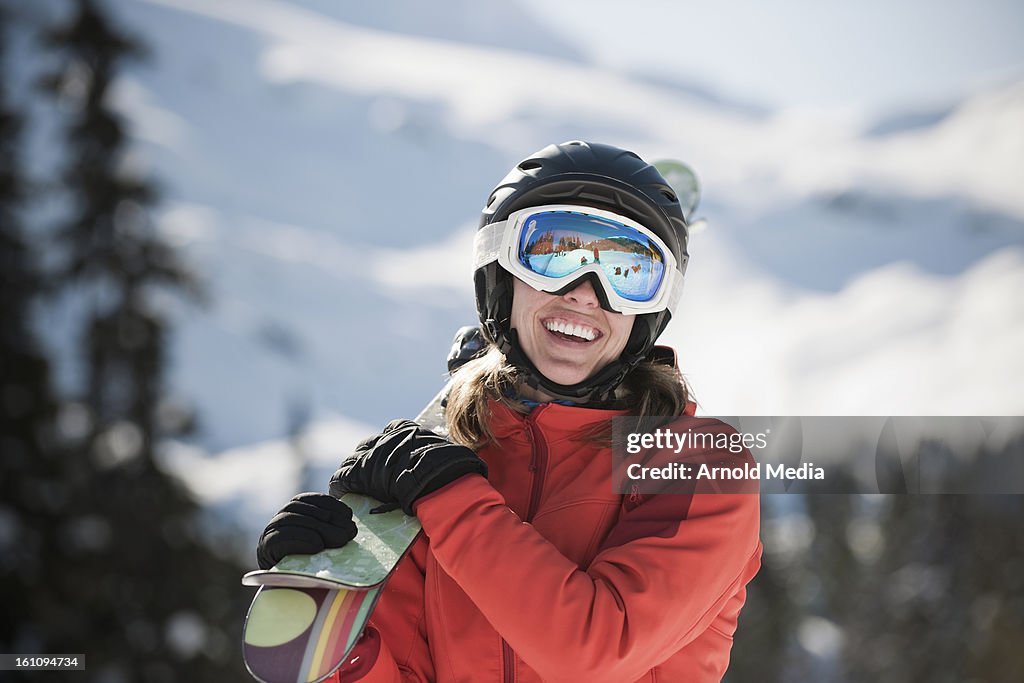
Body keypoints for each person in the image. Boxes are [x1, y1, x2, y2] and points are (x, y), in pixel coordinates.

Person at [256, 141, 762, 682]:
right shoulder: (450, 465)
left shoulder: (702, 465)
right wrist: (333, 627)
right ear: (499, 274)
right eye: (554, 255)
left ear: (650, 311)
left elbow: (594, 649)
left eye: (626, 272)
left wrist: (451, 499)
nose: (587, 294)